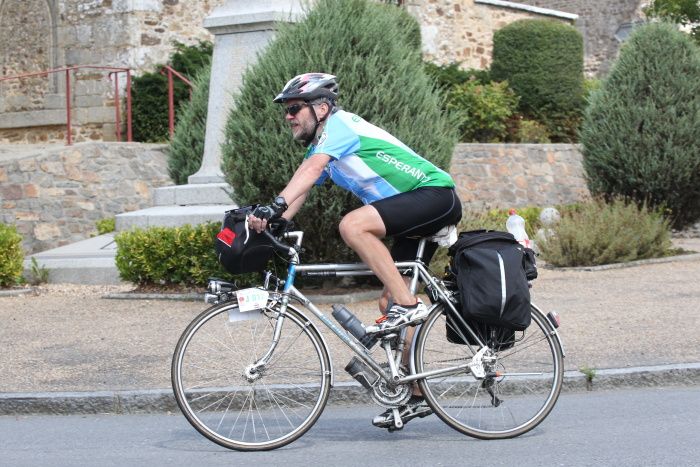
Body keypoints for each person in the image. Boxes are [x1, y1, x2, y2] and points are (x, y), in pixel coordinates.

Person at [248, 72, 462, 428]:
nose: (288, 116)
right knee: (389, 302)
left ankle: (410, 307)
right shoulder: (324, 147)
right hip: (415, 212)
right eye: (287, 110)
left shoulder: (341, 126)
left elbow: (311, 169)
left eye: (294, 108)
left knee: (353, 225)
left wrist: (275, 205)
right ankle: (416, 392)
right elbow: (304, 186)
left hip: (435, 196)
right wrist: (272, 220)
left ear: (321, 108)